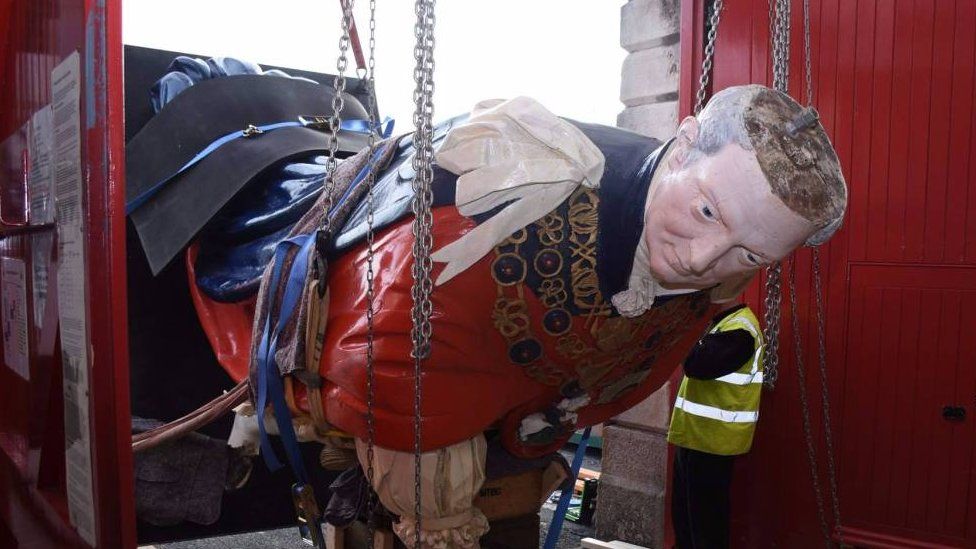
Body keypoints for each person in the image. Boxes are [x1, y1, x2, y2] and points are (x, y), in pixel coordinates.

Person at [181, 84, 847, 547]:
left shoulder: (706, 284)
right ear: (684, 141)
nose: (706, 258)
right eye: (705, 211)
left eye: (749, 252)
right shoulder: (491, 216)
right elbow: (392, 355)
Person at [668, 301, 764, 548]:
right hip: (694, 437)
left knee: (706, 525)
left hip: (714, 443)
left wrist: (684, 329)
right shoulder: (720, 325)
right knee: (685, 520)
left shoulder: (740, 330)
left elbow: (696, 364)